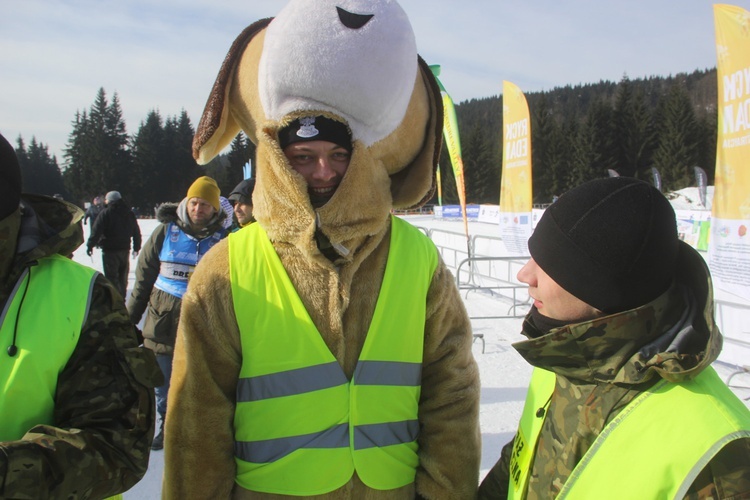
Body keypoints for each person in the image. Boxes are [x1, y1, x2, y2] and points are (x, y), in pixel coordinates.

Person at [163, 2, 481, 498]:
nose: (323, 171)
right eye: (303, 157)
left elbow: (452, 389)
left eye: (338, 155)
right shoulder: (227, 267)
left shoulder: (416, 257)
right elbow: (197, 421)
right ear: (277, 157)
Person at [478, 177, 750, 499]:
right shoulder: (564, 359)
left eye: (550, 263)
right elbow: (517, 468)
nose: (525, 274)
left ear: (602, 291)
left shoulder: (719, 459)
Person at [0, 133, 162, 498]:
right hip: (111, 249)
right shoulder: (107, 213)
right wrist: (95, 241)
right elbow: (107, 227)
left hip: (118, 258)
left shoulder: (81, 295)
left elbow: (117, 442)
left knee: (119, 280)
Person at [127, 175, 228, 451]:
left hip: (202, 322)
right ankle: (167, 426)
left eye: (205, 205)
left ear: (215, 209)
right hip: (162, 322)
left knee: (198, 381)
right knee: (162, 385)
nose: (199, 209)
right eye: (195, 203)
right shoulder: (165, 232)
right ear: (186, 202)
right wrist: (127, 322)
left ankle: (195, 429)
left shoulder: (224, 239)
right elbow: (143, 279)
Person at [86, 190, 142, 298]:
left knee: (112, 277)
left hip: (110, 251)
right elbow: (136, 231)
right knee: (123, 276)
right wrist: (136, 247)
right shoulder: (128, 213)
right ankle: (122, 297)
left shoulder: (106, 213)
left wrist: (90, 245)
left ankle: (116, 299)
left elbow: (96, 230)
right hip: (125, 249)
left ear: (110, 200)